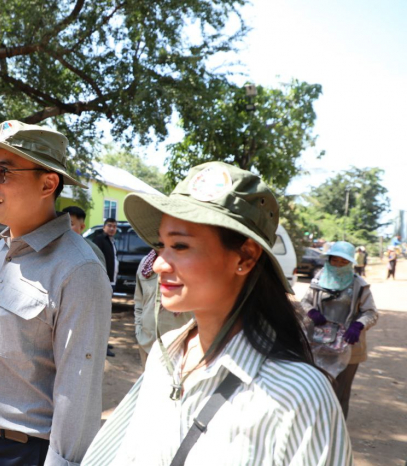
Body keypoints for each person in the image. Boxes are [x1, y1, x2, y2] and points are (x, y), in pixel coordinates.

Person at [82, 162, 351, 465]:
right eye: (161, 245)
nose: (158, 264)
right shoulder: (165, 355)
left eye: (180, 246)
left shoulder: (300, 397)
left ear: (245, 256)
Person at [0, 120, 112, 465]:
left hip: (23, 452)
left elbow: (78, 394)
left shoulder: (79, 270)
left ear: (47, 184)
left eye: (3, 172)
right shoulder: (1, 247)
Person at [300, 241, 379, 419]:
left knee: (340, 391)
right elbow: (305, 302)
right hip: (318, 345)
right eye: (335, 260)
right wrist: (311, 312)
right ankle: (316, 425)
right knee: (316, 387)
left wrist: (358, 325)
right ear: (328, 260)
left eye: (343, 262)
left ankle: (337, 427)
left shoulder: (359, 285)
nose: (338, 265)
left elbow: (371, 312)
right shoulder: (319, 279)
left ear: (350, 263)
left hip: (348, 347)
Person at [134, 249, 192, 367]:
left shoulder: (192, 265)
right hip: (147, 344)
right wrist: (139, 329)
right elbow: (139, 301)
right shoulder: (146, 264)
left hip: (181, 348)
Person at [92, 217, 119, 288]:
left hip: (112, 279)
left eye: (114, 226)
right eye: (109, 226)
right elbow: (96, 258)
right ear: (104, 227)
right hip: (103, 280)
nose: (112, 229)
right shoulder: (99, 239)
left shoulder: (112, 241)